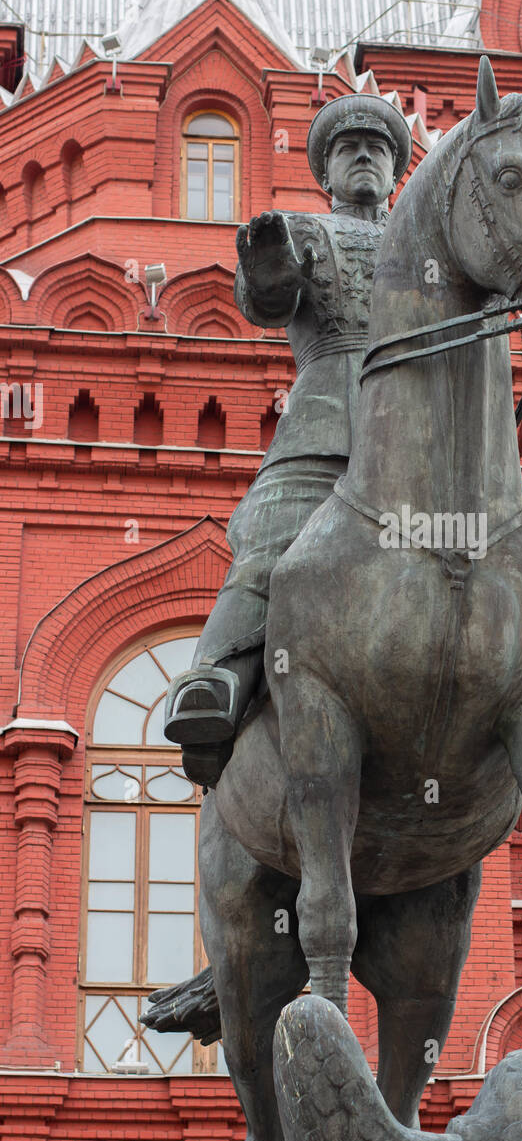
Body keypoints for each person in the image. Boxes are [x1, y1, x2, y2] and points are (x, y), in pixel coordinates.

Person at [163, 93, 412, 786]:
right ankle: (214, 682)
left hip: (430, 427)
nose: (364, 156)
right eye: (347, 149)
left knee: (518, 544)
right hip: (327, 422)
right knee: (274, 542)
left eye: (378, 148)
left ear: (395, 170)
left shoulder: (429, 241)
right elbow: (265, 300)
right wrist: (268, 261)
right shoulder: (301, 229)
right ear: (326, 173)